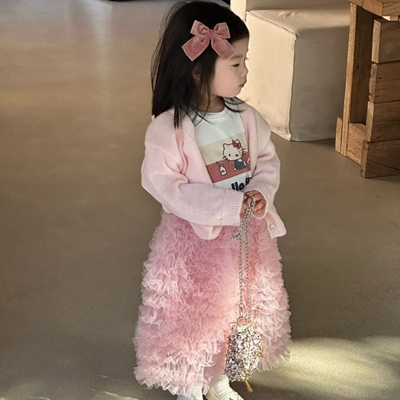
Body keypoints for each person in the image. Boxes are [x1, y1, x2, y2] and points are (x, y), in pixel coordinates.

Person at [133, 2, 291, 399]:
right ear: (199, 70)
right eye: (236, 63)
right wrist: (225, 206)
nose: (245, 72)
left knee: (236, 307)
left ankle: (220, 375)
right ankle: (190, 380)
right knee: (192, 313)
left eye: (244, 61)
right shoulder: (171, 127)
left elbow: (266, 162)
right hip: (195, 243)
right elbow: (163, 183)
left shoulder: (247, 117)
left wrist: (260, 191)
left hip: (244, 239)